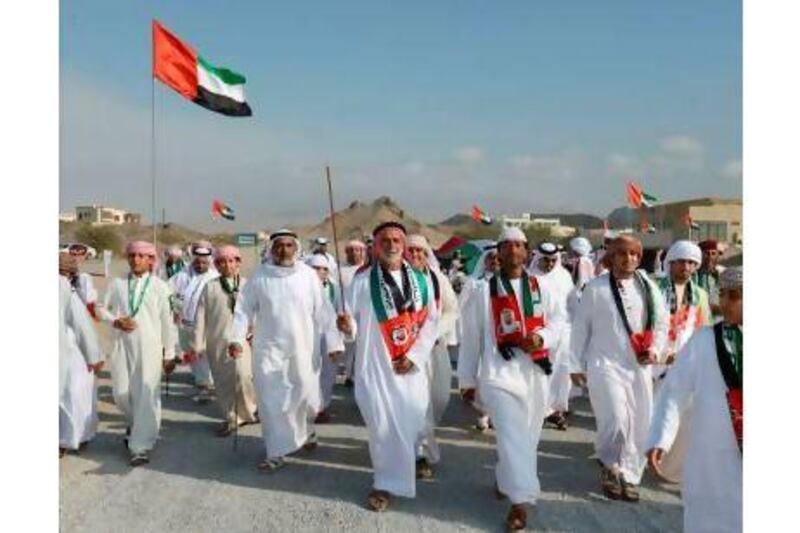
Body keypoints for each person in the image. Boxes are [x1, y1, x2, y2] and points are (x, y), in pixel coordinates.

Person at [458, 227, 566, 530]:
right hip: (498, 374)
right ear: (498, 252)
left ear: (527, 251)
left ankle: (506, 476)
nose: (514, 251)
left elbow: (560, 324)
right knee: (511, 434)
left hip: (534, 373)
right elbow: (472, 339)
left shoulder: (543, 288)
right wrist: (467, 379)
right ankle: (520, 502)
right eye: (507, 246)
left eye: (520, 245)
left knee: (527, 438)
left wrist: (541, 337)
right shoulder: (482, 292)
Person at [336, 221, 440, 512]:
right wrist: (347, 326)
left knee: (411, 420)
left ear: (404, 244)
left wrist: (416, 357)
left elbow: (431, 323)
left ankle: (412, 459)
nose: (392, 245)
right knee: (381, 427)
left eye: (397, 240)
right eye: (386, 240)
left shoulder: (421, 280)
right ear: (375, 245)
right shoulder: (361, 280)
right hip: (375, 369)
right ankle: (385, 483)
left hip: (411, 367)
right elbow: (353, 324)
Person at [228, 230, 343, 472]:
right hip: (269, 351)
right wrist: (236, 339)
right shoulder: (259, 277)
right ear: (271, 248)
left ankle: (307, 431)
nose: (284, 250)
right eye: (279, 246)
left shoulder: (308, 277)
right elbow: (243, 311)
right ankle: (275, 451)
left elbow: (324, 310)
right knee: (271, 401)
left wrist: (334, 343)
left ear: (297, 248)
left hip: (303, 348)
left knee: (305, 397)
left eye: (289, 245)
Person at [568, 235, 669, 501]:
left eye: (635, 254)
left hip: (639, 366)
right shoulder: (596, 288)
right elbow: (580, 329)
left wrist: (655, 350)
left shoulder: (649, 287)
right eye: (623, 254)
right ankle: (610, 464)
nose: (629, 259)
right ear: (612, 257)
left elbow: (661, 324)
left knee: (640, 422)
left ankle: (629, 474)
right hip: (605, 363)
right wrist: (575, 363)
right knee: (616, 419)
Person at [647, 267, 742, 533]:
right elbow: (674, 391)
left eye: (733, 296)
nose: (724, 302)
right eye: (722, 294)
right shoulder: (703, 340)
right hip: (712, 452)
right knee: (707, 516)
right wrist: (660, 438)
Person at [98, 241, 178, 466]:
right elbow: (100, 308)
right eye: (132, 255)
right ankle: (136, 426)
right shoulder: (117, 284)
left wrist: (169, 354)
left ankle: (140, 446)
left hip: (150, 349)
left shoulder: (161, 287)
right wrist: (115, 320)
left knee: (145, 395)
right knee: (122, 394)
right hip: (122, 347)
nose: (136, 260)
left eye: (142, 256)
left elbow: (167, 322)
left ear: (151, 260)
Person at [185, 245, 258, 437]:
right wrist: (197, 345)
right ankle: (232, 417)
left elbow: (257, 312)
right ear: (216, 265)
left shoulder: (247, 285)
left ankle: (249, 410)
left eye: (231, 261)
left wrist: (256, 333)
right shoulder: (210, 287)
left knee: (244, 376)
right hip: (217, 341)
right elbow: (200, 317)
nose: (227, 265)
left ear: (238, 263)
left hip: (243, 341)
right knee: (224, 382)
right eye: (222, 262)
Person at [405, 234, 459, 478]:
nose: (415, 255)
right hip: (409, 353)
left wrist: (435, 332)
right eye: (411, 250)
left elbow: (451, 309)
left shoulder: (438, 279)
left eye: (420, 251)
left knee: (439, 398)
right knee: (419, 404)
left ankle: (422, 439)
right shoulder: (396, 280)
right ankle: (420, 454)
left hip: (435, 348)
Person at [59, 254, 103, 457]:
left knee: (74, 393)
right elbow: (83, 326)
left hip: (73, 352)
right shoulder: (64, 288)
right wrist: (94, 357)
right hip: (70, 350)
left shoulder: (68, 289)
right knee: (74, 394)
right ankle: (72, 437)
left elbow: (82, 324)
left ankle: (72, 437)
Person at [529, 242, 576, 431]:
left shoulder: (564, 276)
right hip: (540, 334)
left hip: (564, 332)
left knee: (562, 373)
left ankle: (557, 410)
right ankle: (540, 410)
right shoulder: (530, 278)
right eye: (545, 260)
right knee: (541, 372)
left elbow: (573, 304)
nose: (549, 264)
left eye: (553, 261)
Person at [458, 243, 500, 432]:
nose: (495, 262)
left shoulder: (508, 282)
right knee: (480, 373)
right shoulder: (474, 283)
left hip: (500, 338)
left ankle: (496, 412)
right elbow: (460, 308)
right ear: (485, 260)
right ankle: (484, 412)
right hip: (479, 337)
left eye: (498, 258)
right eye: (491, 258)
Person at [170, 241, 218, 402]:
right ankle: (201, 380)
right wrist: (175, 310)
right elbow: (171, 293)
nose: (200, 265)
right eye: (197, 262)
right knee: (191, 352)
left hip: (206, 323)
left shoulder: (214, 277)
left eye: (204, 262)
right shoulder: (182, 275)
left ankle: (206, 385)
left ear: (209, 262)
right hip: (185, 322)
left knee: (204, 352)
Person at [306, 253, 345, 423]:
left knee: (328, 373)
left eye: (324, 269)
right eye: (316, 268)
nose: (320, 272)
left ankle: (323, 405)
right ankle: (313, 407)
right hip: (308, 335)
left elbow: (340, 311)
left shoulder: (335, 288)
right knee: (310, 372)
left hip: (330, 335)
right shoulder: (301, 287)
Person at [339, 240, 367, 387]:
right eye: (351, 250)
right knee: (350, 347)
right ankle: (349, 374)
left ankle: (359, 376)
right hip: (348, 313)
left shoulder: (367, 270)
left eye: (357, 250)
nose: (354, 253)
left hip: (365, 313)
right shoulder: (339, 270)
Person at [67, 243, 100, 319]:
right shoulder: (84, 277)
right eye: (74, 254)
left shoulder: (82, 277)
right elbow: (89, 300)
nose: (76, 258)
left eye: (79, 255)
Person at [695, 239, 726, 319]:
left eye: (713, 253)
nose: (710, 257)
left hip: (719, 320)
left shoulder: (723, 274)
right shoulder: (692, 275)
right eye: (706, 253)